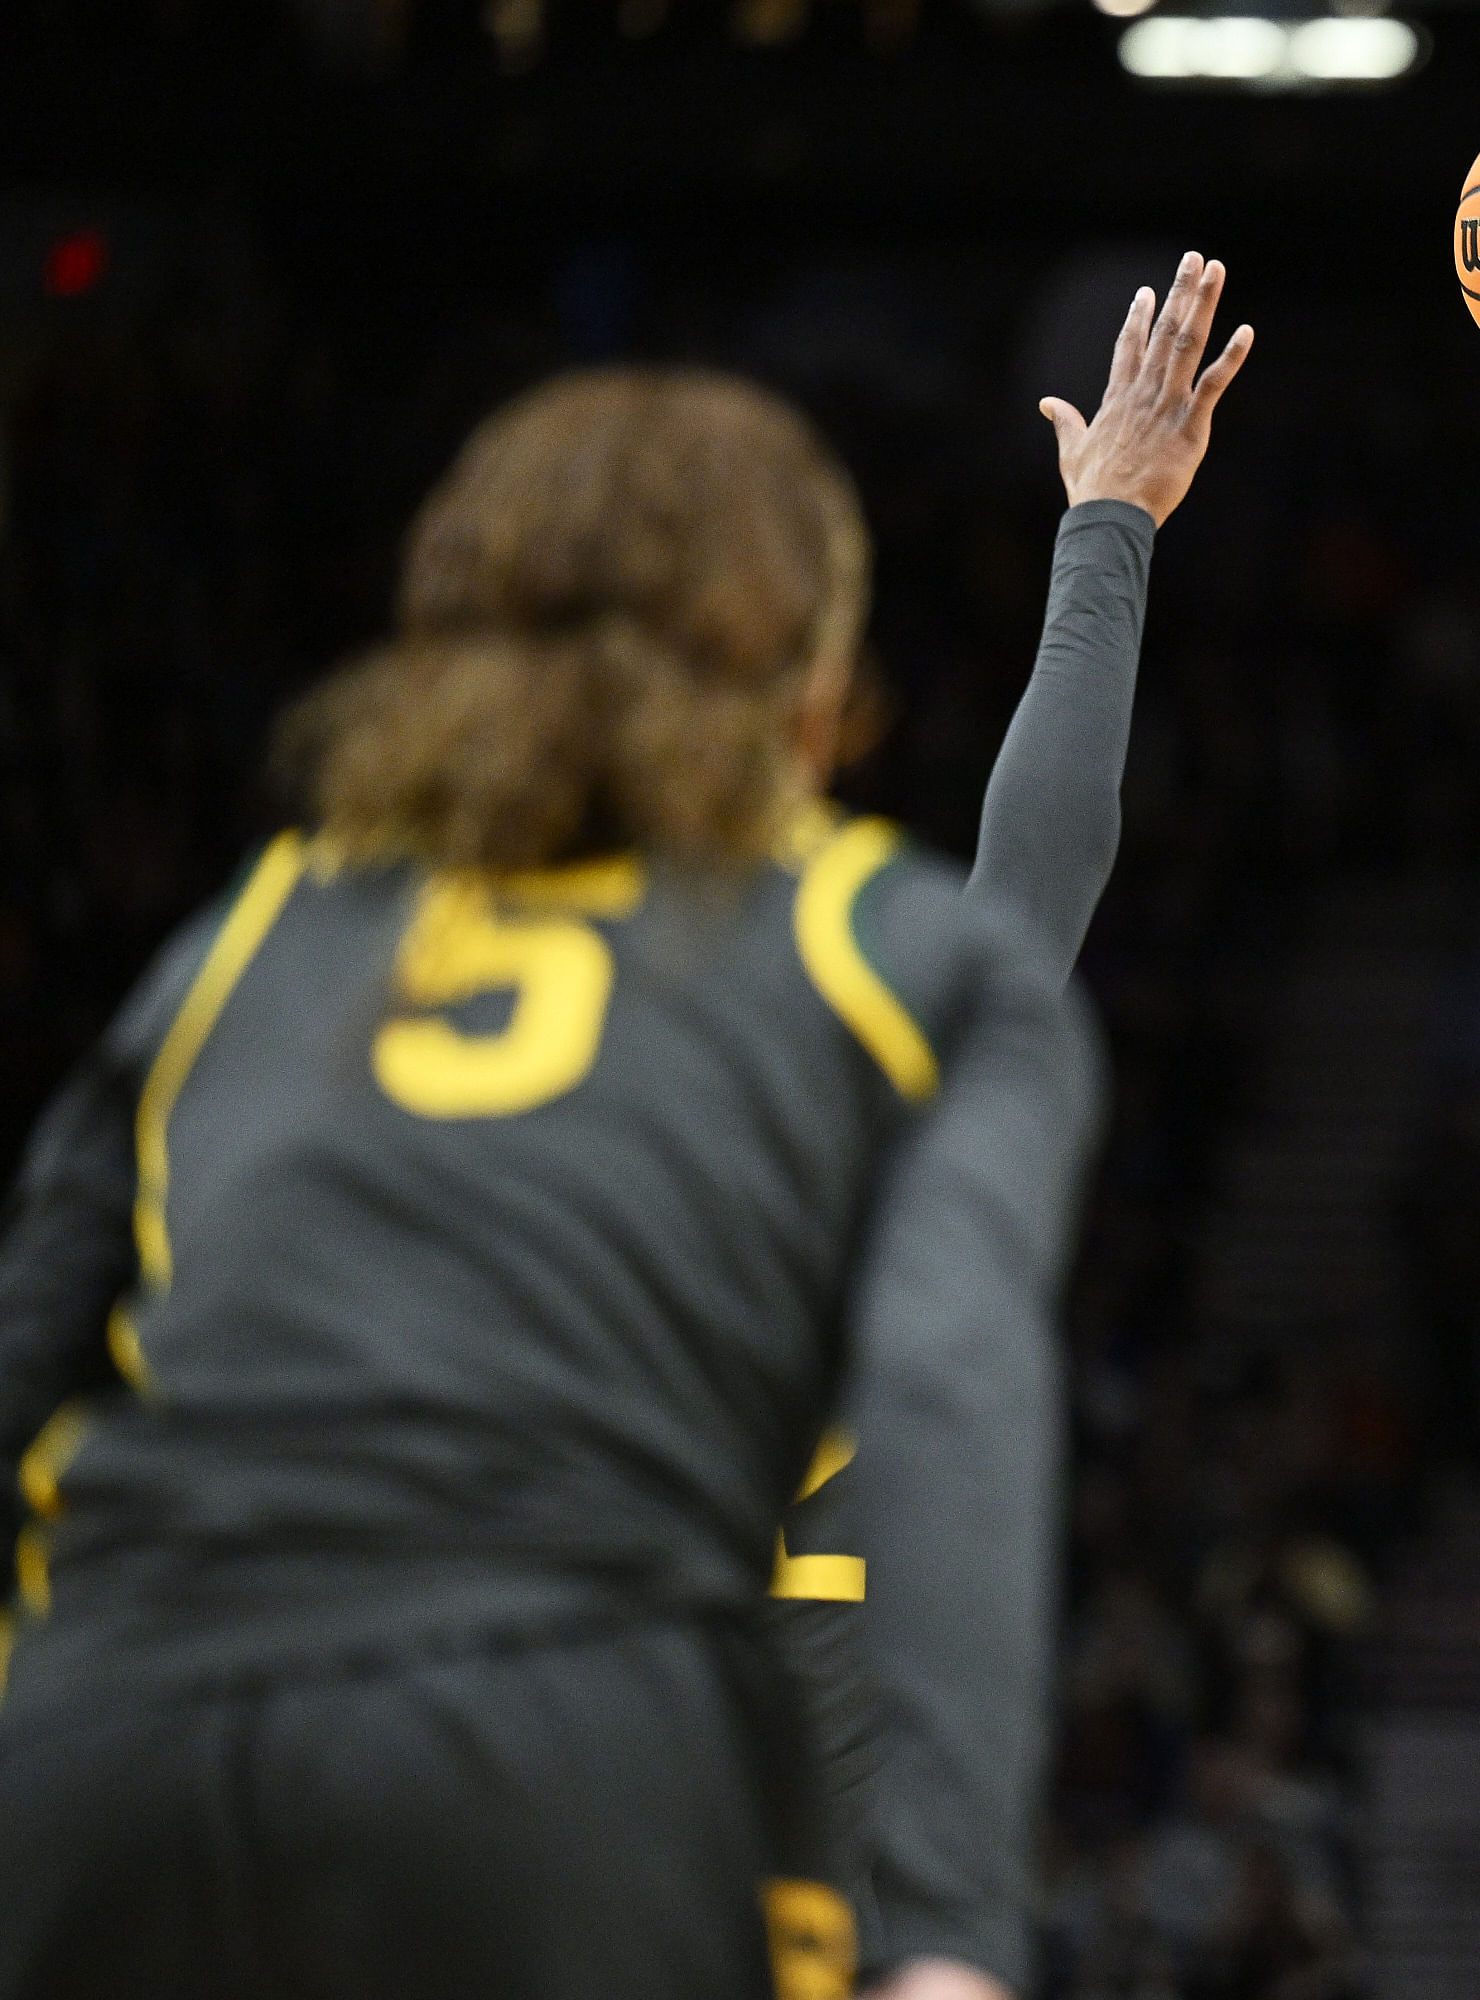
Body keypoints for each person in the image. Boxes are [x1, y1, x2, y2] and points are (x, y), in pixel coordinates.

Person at [0, 255, 1251, 2000]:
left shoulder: (265, 931)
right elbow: (955, 1384)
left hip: (120, 1717)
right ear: (809, 687)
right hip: (592, 1710)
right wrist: (1106, 530)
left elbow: (36, 1350)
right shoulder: (856, 955)